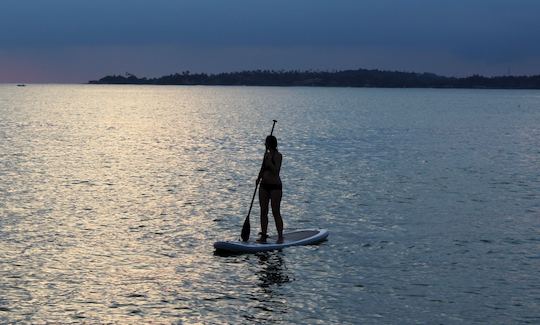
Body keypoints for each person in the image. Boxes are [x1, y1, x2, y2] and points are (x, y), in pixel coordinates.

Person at [256, 135, 284, 243]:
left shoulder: (278, 156)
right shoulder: (266, 155)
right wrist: (258, 178)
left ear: (270, 144)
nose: (264, 145)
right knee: (263, 211)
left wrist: (269, 162)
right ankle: (263, 234)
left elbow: (276, 171)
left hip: (275, 187)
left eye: (266, 143)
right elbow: (262, 168)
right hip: (264, 186)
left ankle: (280, 236)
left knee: (275, 211)